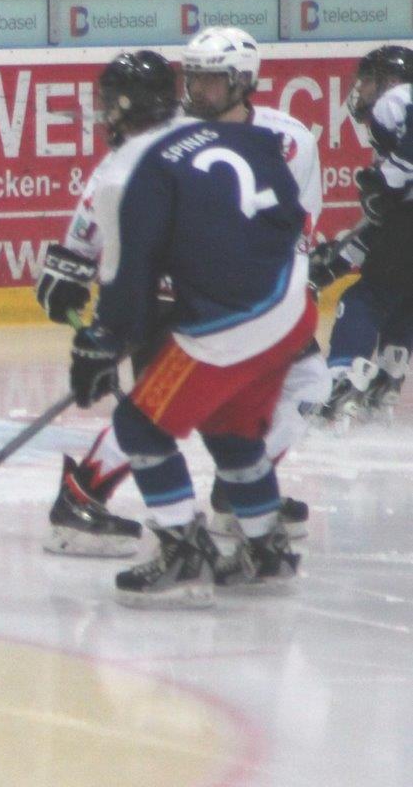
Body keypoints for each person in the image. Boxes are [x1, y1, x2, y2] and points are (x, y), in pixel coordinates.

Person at [37, 30, 328, 559]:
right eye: (193, 77)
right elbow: (108, 206)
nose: (199, 89)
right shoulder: (178, 137)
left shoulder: (278, 138)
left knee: (270, 393)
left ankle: (228, 498)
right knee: (158, 410)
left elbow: (290, 219)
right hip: (199, 301)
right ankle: (90, 495)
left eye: (211, 78)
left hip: (238, 296)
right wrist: (74, 262)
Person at [309, 44, 413, 429]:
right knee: (403, 294)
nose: (361, 89)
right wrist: (340, 258)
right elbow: (385, 223)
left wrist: (389, 177)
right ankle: (388, 375)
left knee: (364, 298)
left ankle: (341, 381)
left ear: (389, 80)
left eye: (367, 80)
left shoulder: (397, 100)